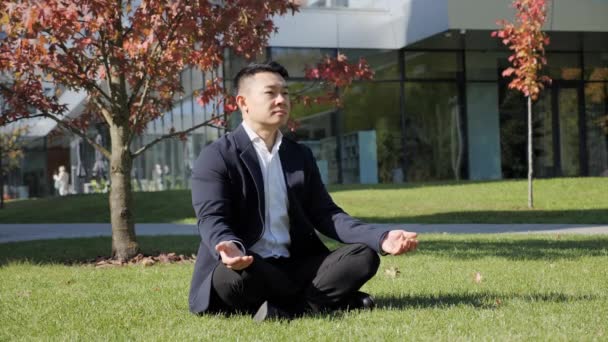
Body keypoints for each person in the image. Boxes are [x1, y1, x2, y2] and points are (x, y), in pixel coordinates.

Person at [189, 61, 418, 321]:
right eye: (270, 93)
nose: (281, 100)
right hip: (248, 264)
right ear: (243, 103)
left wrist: (381, 237)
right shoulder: (217, 156)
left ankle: (290, 310)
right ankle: (328, 301)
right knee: (233, 278)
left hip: (296, 265)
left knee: (363, 256)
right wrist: (229, 246)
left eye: (285, 93)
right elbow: (211, 217)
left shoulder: (299, 155)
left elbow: (327, 214)